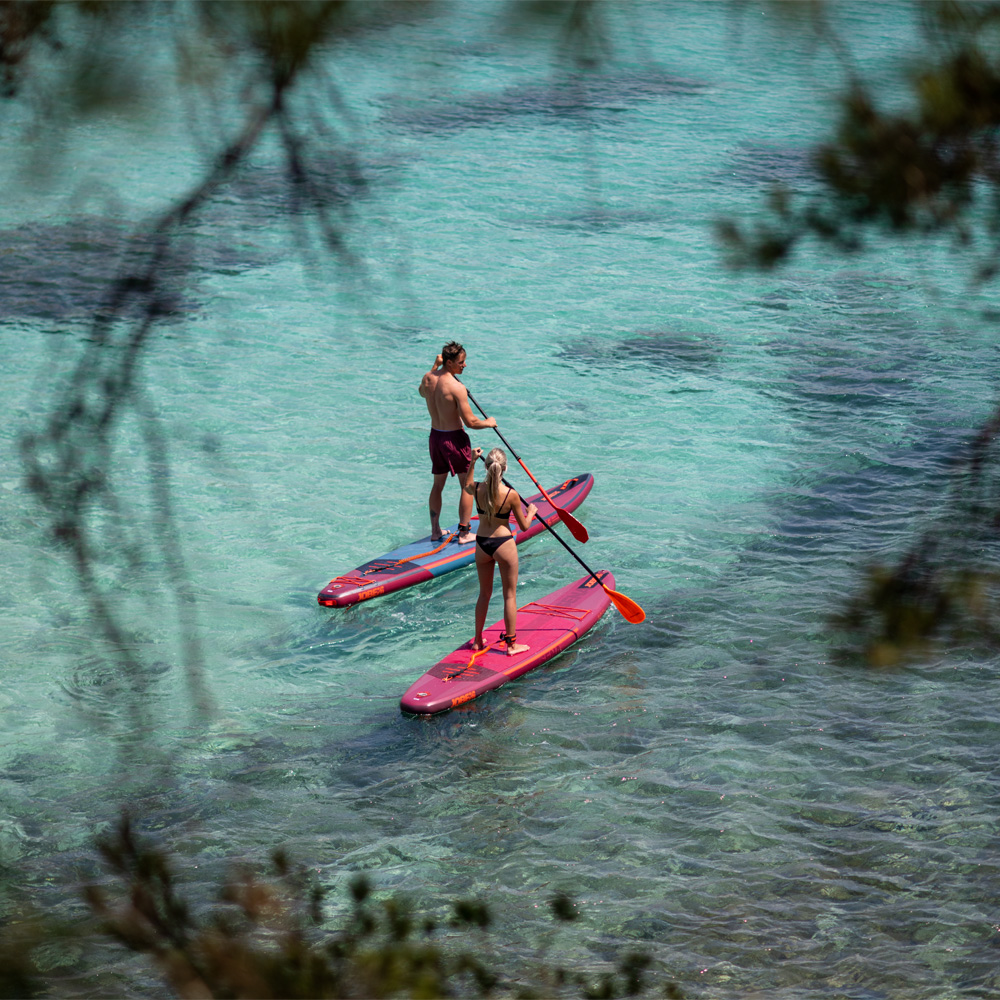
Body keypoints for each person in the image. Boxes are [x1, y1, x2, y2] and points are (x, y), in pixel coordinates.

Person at [419, 342, 496, 544]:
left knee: (438, 485)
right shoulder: (457, 387)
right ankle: (464, 533)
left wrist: (435, 367)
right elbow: (471, 422)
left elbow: (422, 392)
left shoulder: (428, 377)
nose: (465, 366)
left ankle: (435, 531)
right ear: (450, 362)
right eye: (461, 362)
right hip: (454, 439)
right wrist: (488, 423)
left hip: (435, 437)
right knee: (467, 486)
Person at [464, 446, 538, 656]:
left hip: (482, 545)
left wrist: (472, 460)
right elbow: (524, 526)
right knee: (509, 596)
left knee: (484, 594)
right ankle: (512, 646)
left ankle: (477, 640)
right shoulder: (511, 495)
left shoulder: (477, 488)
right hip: (503, 544)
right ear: (504, 469)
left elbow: (466, 484)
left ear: (486, 467)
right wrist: (531, 512)